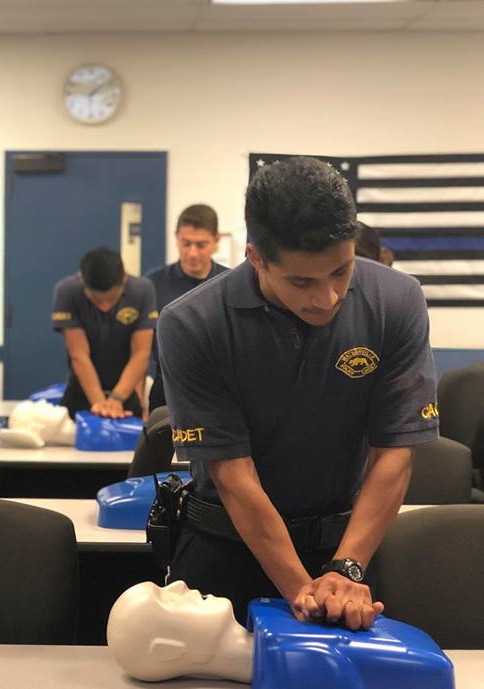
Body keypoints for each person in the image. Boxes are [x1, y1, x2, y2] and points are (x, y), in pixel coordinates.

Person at [157, 157, 438, 630]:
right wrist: (304, 594)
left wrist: (345, 570)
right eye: (302, 281)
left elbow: (394, 454)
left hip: (348, 555)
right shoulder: (192, 323)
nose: (328, 297)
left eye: (341, 272)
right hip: (226, 553)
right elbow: (233, 474)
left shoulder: (397, 301)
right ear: (256, 258)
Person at [106, 581, 455, 689]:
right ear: (167, 650)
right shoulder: (292, 664)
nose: (179, 584)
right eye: (166, 598)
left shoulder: (267, 613)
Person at [52, 247, 157, 419]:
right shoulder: (67, 291)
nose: (104, 306)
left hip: (125, 391)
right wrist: (101, 405)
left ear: (124, 278)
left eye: (111, 298)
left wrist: (116, 399)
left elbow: (141, 353)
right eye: (96, 299)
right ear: (82, 279)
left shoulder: (143, 290)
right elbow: (79, 354)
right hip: (82, 390)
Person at [145, 204, 228, 411]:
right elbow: (140, 347)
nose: (192, 253)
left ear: (216, 241)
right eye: (186, 243)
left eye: (201, 245)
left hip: (218, 391)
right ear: (176, 238)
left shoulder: (231, 283)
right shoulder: (153, 284)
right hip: (166, 390)